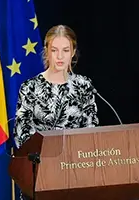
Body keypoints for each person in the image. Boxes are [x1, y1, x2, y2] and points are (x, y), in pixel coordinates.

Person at [12, 24, 99, 200]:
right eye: (54, 50)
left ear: (73, 52)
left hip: (76, 175)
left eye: (65, 50)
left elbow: (92, 130)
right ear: (46, 51)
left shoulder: (84, 86)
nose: (60, 57)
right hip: (39, 177)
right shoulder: (30, 88)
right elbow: (21, 135)